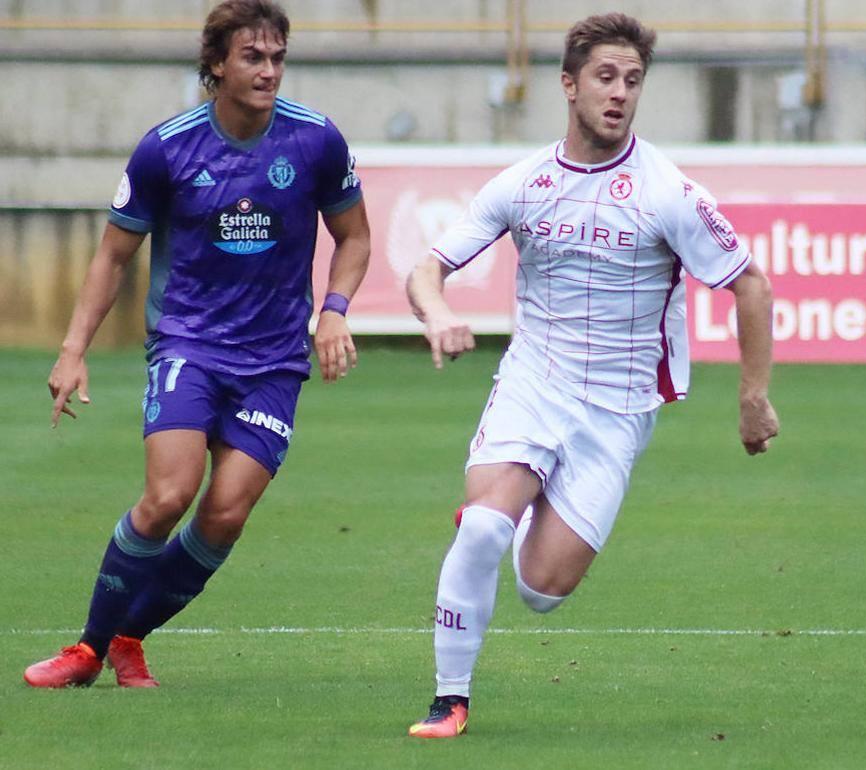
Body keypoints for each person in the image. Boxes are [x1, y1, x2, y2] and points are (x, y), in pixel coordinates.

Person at [404, 12, 779, 739]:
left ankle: (519, 517)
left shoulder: (667, 191)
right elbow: (427, 268)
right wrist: (435, 313)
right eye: (606, 77)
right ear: (570, 85)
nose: (620, 93)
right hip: (532, 383)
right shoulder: (525, 183)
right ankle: (450, 699)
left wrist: (753, 397)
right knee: (480, 527)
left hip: (617, 409)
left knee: (543, 590)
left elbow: (752, 284)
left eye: (633, 80)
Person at [23, 0, 369, 689]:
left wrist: (333, 311)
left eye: (277, 58)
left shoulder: (316, 140)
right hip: (191, 345)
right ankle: (87, 650)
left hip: (273, 360)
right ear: (216, 64)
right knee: (169, 496)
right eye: (252, 57)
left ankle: (129, 637)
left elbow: (354, 236)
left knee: (225, 514)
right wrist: (72, 348)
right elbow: (112, 256)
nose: (269, 72)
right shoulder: (168, 147)